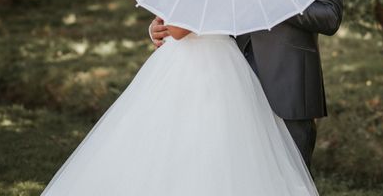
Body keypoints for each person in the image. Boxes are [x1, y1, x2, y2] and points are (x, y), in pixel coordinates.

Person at [41, 25, 319, 195]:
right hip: (220, 60)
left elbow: (178, 27)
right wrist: (156, 26)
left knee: (192, 146)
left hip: (206, 63)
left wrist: (167, 19)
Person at [150, 0, 343, 168]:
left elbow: (330, 17)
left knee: (293, 181)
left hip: (288, 81)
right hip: (227, 81)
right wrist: (163, 30)